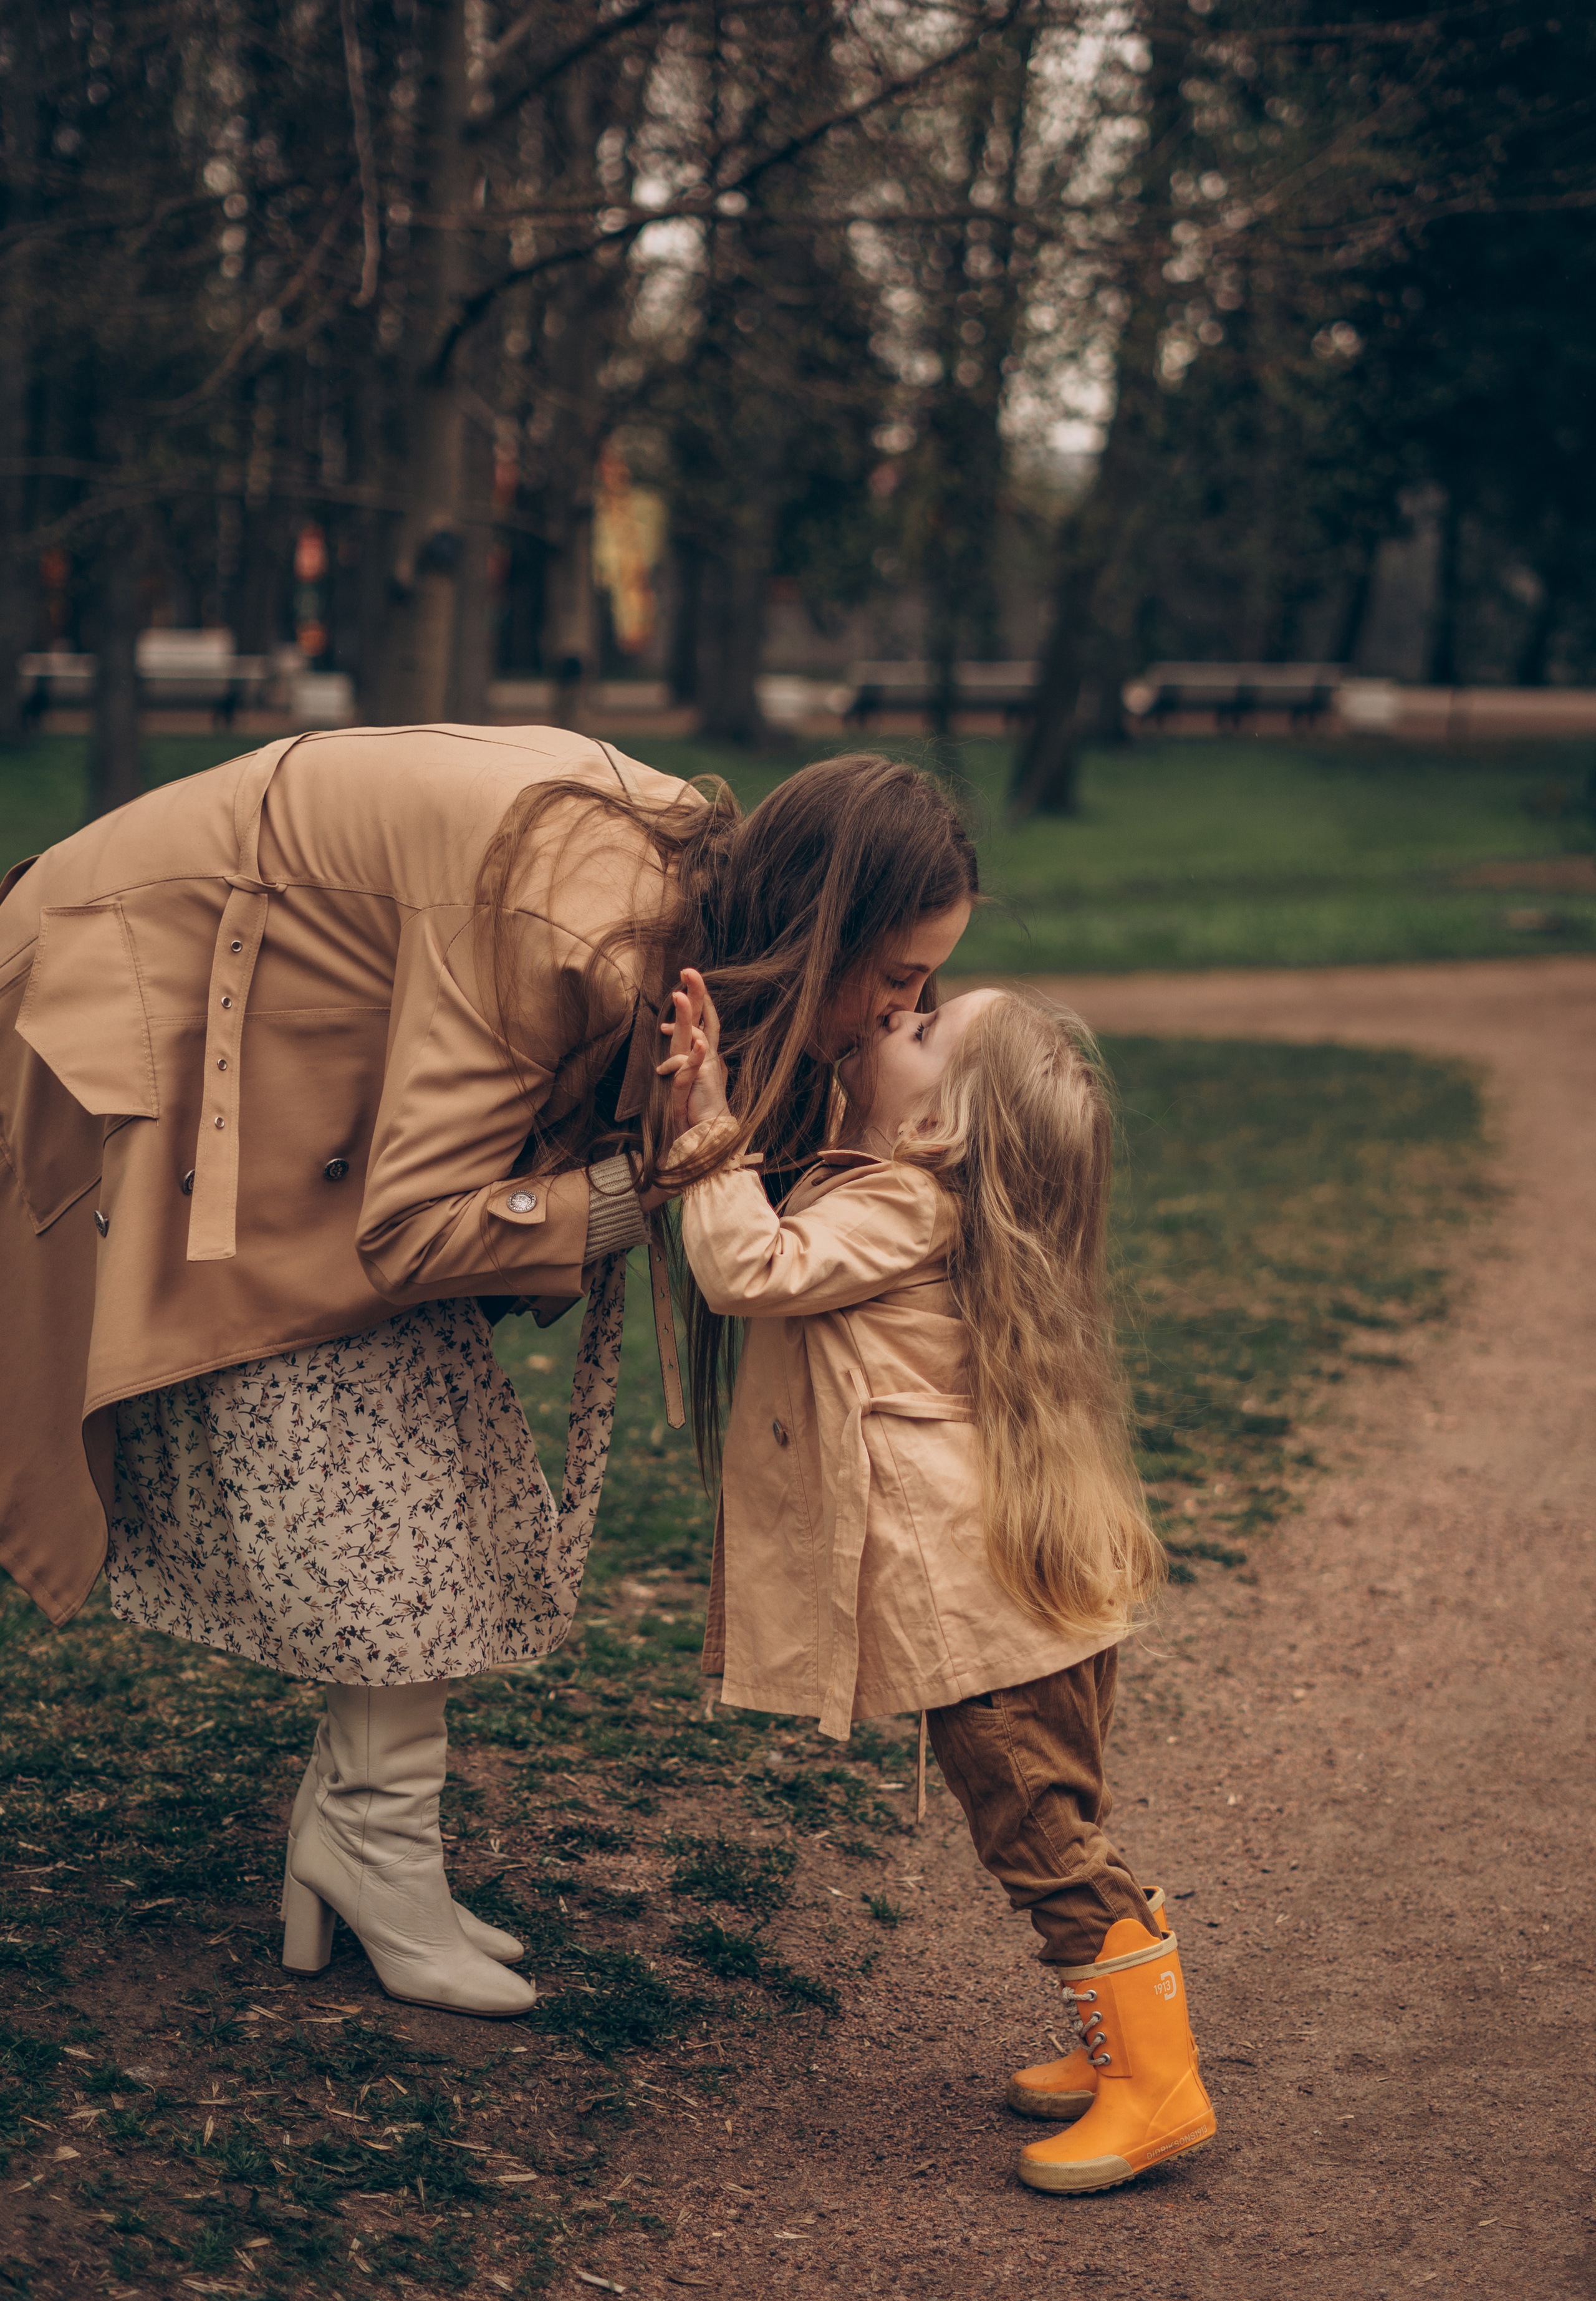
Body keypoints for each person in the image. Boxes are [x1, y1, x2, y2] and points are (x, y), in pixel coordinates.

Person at [0, 728, 976, 2017]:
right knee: (390, 1480)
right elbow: (411, 1233)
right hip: (142, 993)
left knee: (440, 1463)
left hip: (302, 1040)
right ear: (822, 928)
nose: (898, 1019)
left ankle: (358, 1841)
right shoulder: (569, 919)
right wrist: (654, 1185)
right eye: (897, 982)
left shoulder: (694, 889)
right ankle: (371, 1849)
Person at [658, 968, 1216, 2193]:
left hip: (985, 1630)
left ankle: (1158, 2085)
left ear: (941, 1129)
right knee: (1061, 1827)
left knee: (1041, 1839)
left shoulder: (907, 1204)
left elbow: (750, 1268)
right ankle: (1117, 2032)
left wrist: (704, 1126)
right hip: (1019, 1607)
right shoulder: (929, 1194)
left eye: (920, 1027)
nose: (893, 1017)